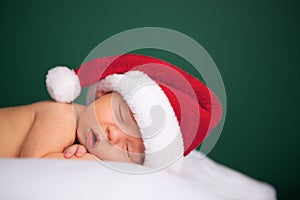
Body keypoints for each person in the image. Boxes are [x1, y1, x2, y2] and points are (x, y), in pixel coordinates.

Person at [0, 54, 222, 172]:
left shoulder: (79, 140)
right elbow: (35, 166)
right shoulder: (62, 116)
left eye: (127, 149)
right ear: (103, 93)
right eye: (121, 117)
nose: (114, 136)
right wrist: (89, 161)